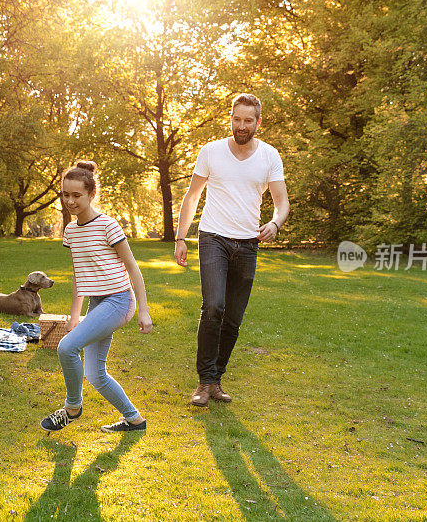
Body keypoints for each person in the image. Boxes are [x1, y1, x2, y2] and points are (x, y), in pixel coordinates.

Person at [174, 93, 290, 407]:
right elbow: (192, 195)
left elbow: (281, 202)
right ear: (231, 118)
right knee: (213, 307)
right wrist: (181, 237)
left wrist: (276, 223)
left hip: (248, 243)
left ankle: (216, 379)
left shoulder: (269, 156)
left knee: (233, 318)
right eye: (236, 119)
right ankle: (204, 381)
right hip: (213, 238)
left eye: (247, 120)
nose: (241, 125)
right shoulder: (210, 151)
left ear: (258, 122)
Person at [40, 160, 153, 433]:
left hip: (119, 300)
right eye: (66, 195)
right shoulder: (70, 231)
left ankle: (72, 408)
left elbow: (133, 267)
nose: (70, 201)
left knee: (67, 348)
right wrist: (75, 316)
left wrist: (144, 310)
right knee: (95, 374)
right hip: (97, 303)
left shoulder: (108, 226)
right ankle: (134, 420)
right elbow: (79, 274)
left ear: (91, 194)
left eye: (76, 195)